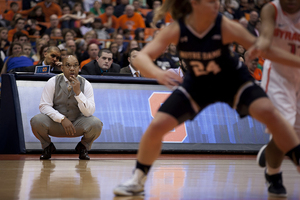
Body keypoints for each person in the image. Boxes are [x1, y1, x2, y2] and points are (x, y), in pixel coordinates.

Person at [113, 0, 300, 196]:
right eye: (211, 1)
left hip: (232, 80)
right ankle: (137, 179)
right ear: (195, 3)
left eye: (217, 1)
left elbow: (266, 50)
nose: (216, 5)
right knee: (157, 126)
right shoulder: (178, 28)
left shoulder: (224, 25)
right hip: (198, 84)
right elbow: (141, 57)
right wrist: (158, 73)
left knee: (269, 112)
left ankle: (286, 166)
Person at [249, 0, 300, 197]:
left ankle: (269, 150)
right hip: (278, 76)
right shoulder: (271, 9)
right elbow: (266, 37)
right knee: (284, 128)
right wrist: (259, 45)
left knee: (293, 135)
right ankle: (274, 175)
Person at [30, 55, 103, 160]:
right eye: (68, 65)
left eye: (75, 65)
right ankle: (47, 146)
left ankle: (83, 147)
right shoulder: (52, 81)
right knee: (36, 120)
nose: (72, 68)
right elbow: (44, 106)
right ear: (62, 68)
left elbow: (89, 112)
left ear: (79, 68)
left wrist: (78, 93)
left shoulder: (86, 84)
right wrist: (62, 119)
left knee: (96, 123)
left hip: (77, 124)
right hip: (57, 124)